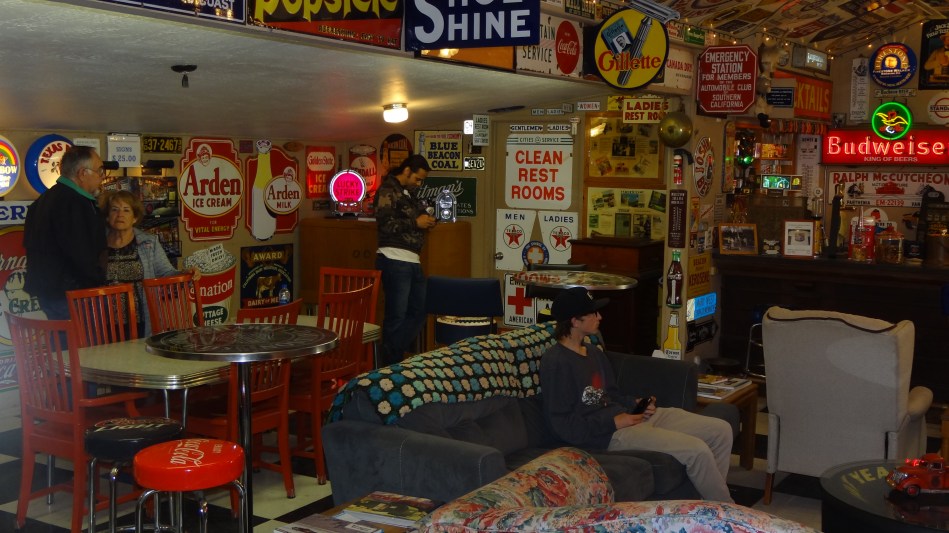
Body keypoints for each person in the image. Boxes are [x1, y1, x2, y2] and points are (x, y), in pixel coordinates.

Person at [540, 287, 734, 502]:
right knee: (697, 450)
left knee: (721, 431)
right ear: (575, 321)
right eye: (593, 313)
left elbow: (611, 394)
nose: (600, 317)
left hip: (630, 416)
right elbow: (563, 424)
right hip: (609, 434)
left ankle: (709, 506)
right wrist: (614, 422)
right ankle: (726, 512)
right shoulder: (556, 362)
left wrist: (636, 403)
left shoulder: (594, 353)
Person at [23, 146, 108, 319]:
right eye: (99, 170)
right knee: (85, 337)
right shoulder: (74, 203)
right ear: (82, 173)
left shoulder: (44, 199)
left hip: (48, 291)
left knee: (62, 337)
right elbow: (81, 253)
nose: (102, 176)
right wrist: (98, 281)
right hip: (72, 293)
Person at [100, 189, 199, 337]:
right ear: (108, 216)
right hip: (104, 322)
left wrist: (185, 274)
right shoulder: (96, 243)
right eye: (114, 209)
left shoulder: (149, 243)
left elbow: (166, 273)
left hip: (141, 321)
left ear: (135, 218)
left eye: (126, 210)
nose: (120, 214)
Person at [373, 154, 436, 366]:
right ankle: (389, 364)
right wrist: (416, 223)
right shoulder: (388, 189)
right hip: (393, 258)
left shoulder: (409, 193)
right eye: (418, 179)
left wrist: (427, 220)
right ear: (407, 170)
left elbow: (417, 217)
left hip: (413, 259)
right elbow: (385, 224)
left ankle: (392, 353)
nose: (419, 183)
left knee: (420, 310)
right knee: (396, 316)